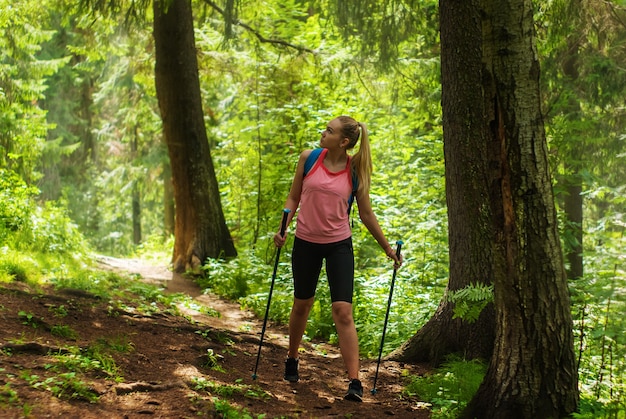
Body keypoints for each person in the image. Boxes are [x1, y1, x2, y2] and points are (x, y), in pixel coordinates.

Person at [273, 115, 402, 402]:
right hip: (305, 242)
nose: (323, 133)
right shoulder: (309, 159)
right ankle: (292, 358)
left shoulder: (354, 170)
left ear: (343, 142)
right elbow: (293, 198)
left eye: (329, 131)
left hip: (338, 245)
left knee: (343, 311)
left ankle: (355, 381)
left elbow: (366, 213)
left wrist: (387, 250)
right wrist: (283, 228)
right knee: (302, 304)